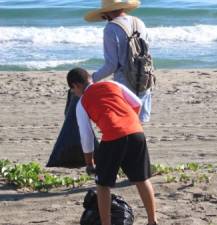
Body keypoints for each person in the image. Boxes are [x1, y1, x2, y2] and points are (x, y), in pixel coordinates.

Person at [67, 68, 158, 225]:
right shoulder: (112, 84)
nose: (75, 94)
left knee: (103, 184)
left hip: (113, 137)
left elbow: (86, 136)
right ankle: (152, 220)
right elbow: (137, 103)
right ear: (89, 78)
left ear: (76, 85)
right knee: (141, 179)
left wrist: (89, 163)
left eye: (73, 90)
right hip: (136, 132)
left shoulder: (82, 102)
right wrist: (128, 121)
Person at [84, 0, 153, 122]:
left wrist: (92, 79)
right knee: (140, 123)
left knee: (127, 123)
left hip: (125, 82)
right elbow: (147, 51)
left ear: (107, 12)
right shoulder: (139, 22)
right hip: (145, 77)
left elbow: (111, 65)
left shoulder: (111, 28)